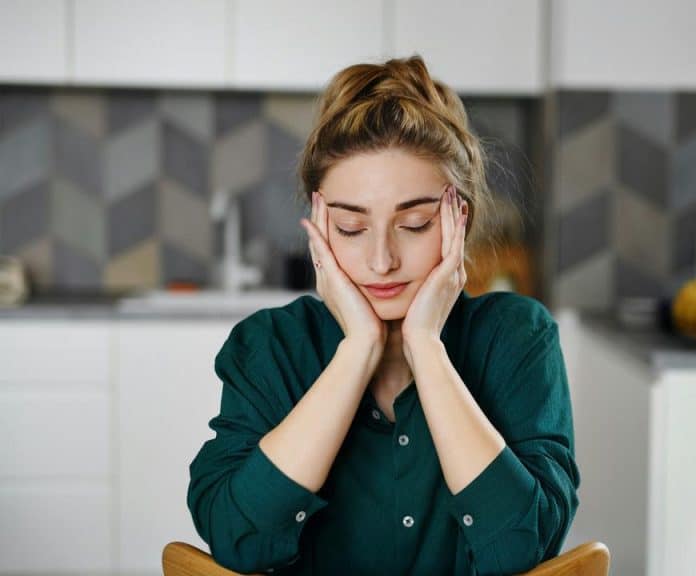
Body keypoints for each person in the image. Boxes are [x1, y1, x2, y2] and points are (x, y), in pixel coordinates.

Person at [186, 55, 580, 575]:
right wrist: (357, 352)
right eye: (351, 228)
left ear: (458, 218)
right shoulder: (270, 346)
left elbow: (523, 549)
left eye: (414, 224)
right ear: (320, 225)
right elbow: (238, 540)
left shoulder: (517, 338)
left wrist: (426, 349)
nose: (381, 260)